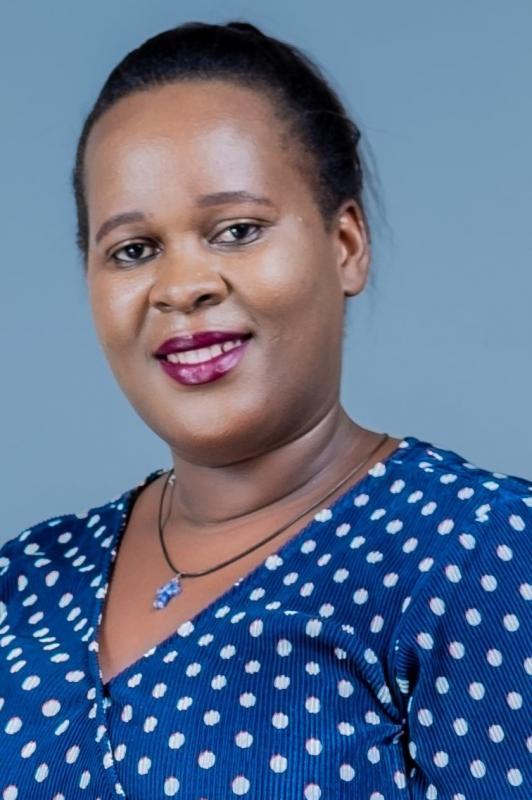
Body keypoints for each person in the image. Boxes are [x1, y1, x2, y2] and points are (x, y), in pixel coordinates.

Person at [0, 19, 529, 800]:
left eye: (237, 230)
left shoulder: (480, 553)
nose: (183, 286)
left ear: (345, 245)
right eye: (134, 250)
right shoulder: (25, 582)